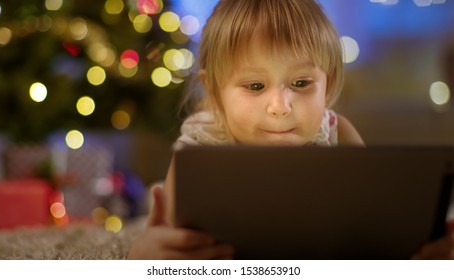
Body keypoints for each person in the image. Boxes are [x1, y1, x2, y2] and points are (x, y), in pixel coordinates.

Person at [128, 0, 454, 259]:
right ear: (214, 90)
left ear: (327, 83)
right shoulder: (199, 145)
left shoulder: (336, 133)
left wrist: (419, 252)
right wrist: (146, 258)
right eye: (255, 86)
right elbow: (167, 240)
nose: (281, 105)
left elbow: (377, 225)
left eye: (301, 83)